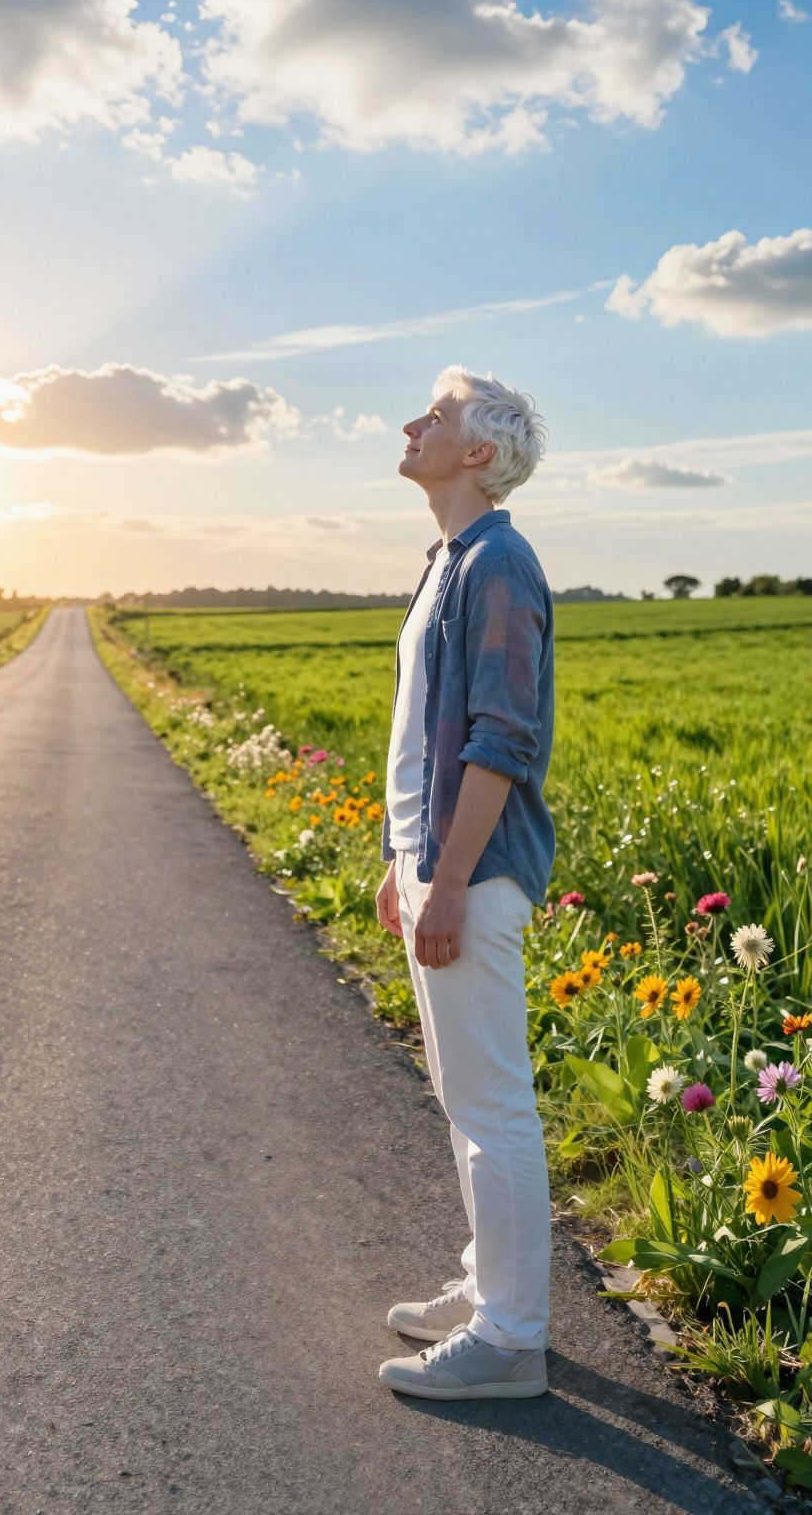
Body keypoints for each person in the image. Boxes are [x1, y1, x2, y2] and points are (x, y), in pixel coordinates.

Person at [375, 365, 555, 1402]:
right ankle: (494, 1285)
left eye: (434, 416)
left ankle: (511, 1337)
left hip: (473, 873)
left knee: (493, 1105)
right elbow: (419, 743)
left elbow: (500, 743)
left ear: (478, 452)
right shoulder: (448, 558)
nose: (413, 423)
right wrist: (403, 866)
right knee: (464, 1096)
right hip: (437, 867)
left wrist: (447, 879)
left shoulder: (497, 563)